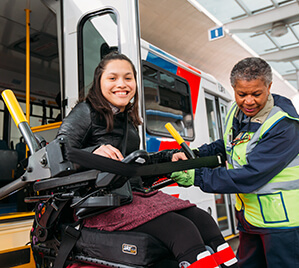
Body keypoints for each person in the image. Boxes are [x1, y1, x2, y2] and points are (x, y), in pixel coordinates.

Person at [56, 52, 238, 268]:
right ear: (99, 82)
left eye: (128, 78)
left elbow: (135, 162)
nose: (121, 84)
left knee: (204, 221)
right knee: (182, 230)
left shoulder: (128, 121)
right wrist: (94, 150)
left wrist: (168, 156)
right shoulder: (85, 111)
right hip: (100, 203)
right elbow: (58, 153)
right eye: (112, 78)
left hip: (132, 196)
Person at [171, 57, 299, 267]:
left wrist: (197, 176)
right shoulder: (237, 112)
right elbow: (227, 144)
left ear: (269, 87)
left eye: (256, 94)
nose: (248, 101)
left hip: (286, 223)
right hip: (252, 218)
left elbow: (251, 175)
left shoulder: (284, 126)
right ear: (234, 89)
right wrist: (194, 155)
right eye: (242, 94)